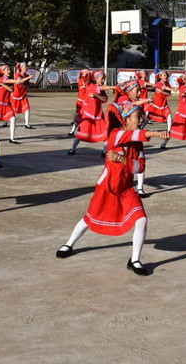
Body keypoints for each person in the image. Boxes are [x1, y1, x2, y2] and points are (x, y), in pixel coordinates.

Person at [55, 101, 169, 276]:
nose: (141, 121)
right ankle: (69, 243)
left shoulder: (137, 144)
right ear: (126, 120)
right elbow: (135, 136)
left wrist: (123, 160)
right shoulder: (117, 134)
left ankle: (135, 260)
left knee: (141, 220)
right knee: (89, 219)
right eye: (138, 117)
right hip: (107, 186)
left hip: (126, 188)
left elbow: (140, 167)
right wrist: (156, 132)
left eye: (141, 117)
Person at [68, 70, 112, 156]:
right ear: (95, 79)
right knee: (81, 134)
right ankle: (72, 149)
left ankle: (104, 152)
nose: (103, 81)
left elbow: (105, 99)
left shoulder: (100, 89)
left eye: (104, 79)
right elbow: (101, 88)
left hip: (98, 115)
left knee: (105, 134)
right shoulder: (91, 85)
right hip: (88, 115)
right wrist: (113, 87)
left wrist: (96, 95)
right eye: (102, 78)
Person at [0, 64, 29, 144]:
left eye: (10, 70)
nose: (9, 71)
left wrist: (4, 85)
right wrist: (16, 81)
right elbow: (7, 82)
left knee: (13, 119)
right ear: (3, 72)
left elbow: (11, 89)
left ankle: (12, 138)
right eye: (7, 70)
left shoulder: (7, 81)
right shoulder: (2, 79)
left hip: (7, 104)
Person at [145, 70, 173, 147]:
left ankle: (167, 136)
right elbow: (165, 89)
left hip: (164, 106)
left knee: (169, 117)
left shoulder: (168, 84)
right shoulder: (159, 83)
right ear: (160, 76)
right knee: (146, 120)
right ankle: (138, 131)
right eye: (164, 75)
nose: (166, 76)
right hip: (156, 106)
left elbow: (168, 93)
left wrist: (165, 91)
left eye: (166, 75)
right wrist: (171, 90)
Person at [11, 62, 36, 129]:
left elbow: (26, 86)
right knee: (11, 110)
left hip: (23, 94)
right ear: (21, 67)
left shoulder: (27, 76)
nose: (26, 68)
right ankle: (6, 122)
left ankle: (27, 124)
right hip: (16, 94)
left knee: (27, 108)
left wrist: (27, 84)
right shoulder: (18, 74)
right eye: (25, 67)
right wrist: (29, 78)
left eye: (27, 67)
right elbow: (20, 81)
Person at [68, 69, 89, 137]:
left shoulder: (84, 80)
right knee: (79, 115)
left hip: (85, 100)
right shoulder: (82, 81)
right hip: (82, 100)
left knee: (80, 115)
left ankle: (74, 125)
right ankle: (73, 129)